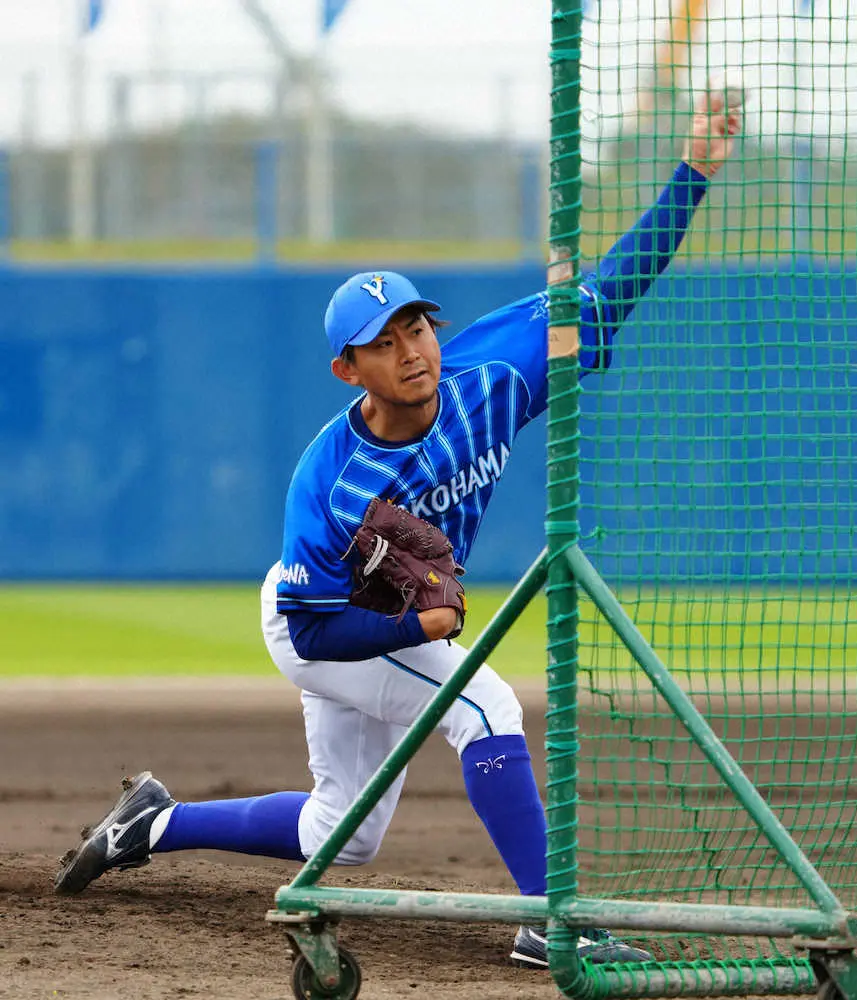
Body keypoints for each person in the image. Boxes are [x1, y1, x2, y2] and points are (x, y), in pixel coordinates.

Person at [54, 91, 741, 970]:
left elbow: (608, 292)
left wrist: (692, 173)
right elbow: (311, 628)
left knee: (343, 831)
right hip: (326, 624)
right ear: (350, 367)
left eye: (417, 324)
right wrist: (415, 628)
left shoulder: (491, 378)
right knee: (483, 703)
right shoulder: (329, 484)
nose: (411, 347)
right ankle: (548, 920)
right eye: (385, 339)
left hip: (382, 625)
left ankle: (152, 821)